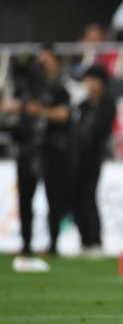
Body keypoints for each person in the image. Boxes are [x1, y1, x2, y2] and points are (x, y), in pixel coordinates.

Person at [3, 48, 72, 256]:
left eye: (46, 60)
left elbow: (65, 114)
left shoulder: (60, 88)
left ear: (57, 62)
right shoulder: (26, 89)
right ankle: (25, 244)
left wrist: (38, 110)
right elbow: (9, 109)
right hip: (26, 148)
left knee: (54, 197)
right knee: (25, 198)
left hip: (51, 149)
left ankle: (53, 244)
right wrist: (17, 108)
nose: (41, 65)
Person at [72, 65, 116, 257]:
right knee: (76, 199)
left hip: (93, 156)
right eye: (87, 80)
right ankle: (84, 240)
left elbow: (99, 131)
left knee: (88, 197)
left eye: (93, 80)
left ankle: (95, 241)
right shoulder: (82, 106)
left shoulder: (107, 105)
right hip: (76, 156)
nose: (89, 85)